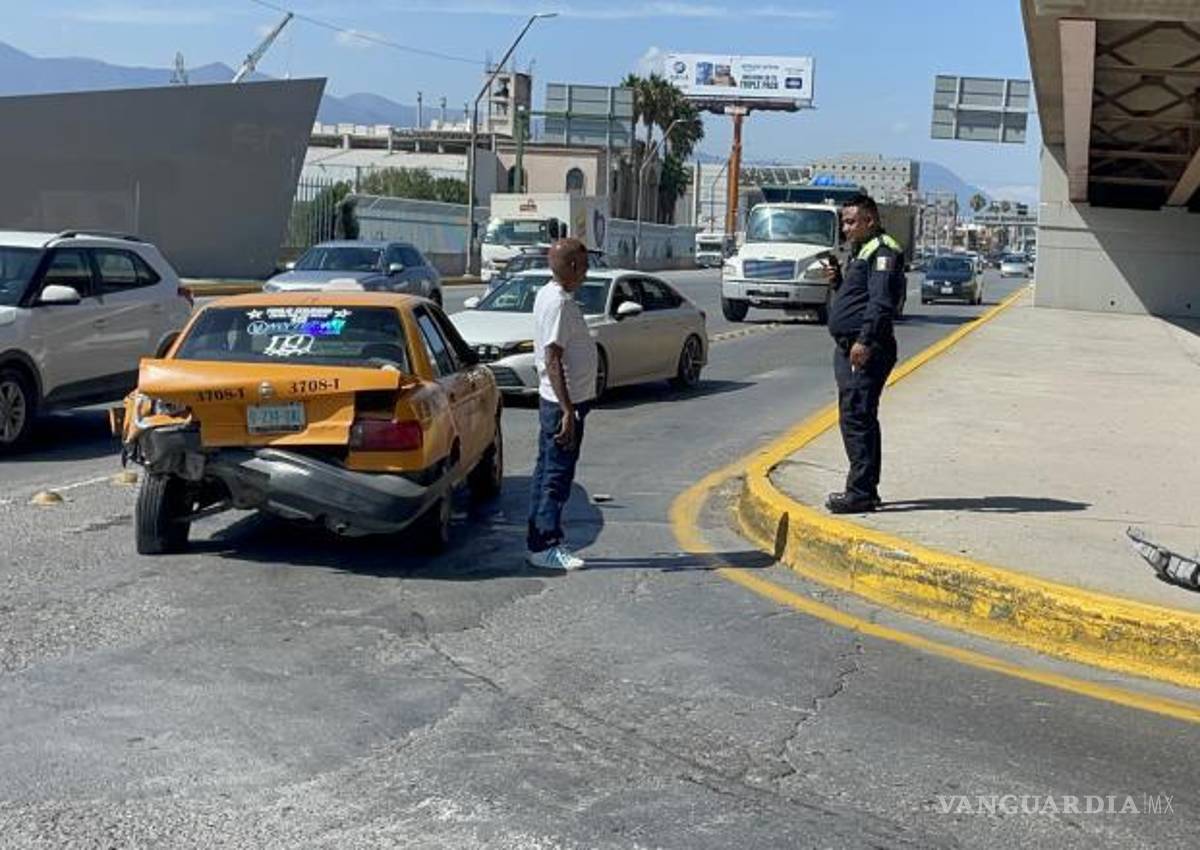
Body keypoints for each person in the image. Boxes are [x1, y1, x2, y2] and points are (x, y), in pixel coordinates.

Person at [823, 193, 906, 514]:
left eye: (850, 222)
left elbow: (881, 301)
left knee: (857, 417)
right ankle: (865, 488)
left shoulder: (883, 251)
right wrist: (838, 282)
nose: (845, 228)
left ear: (869, 220)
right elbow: (858, 297)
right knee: (857, 416)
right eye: (844, 222)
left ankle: (860, 492)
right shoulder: (862, 250)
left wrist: (865, 341)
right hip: (849, 347)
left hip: (866, 349)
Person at [526, 238, 598, 570]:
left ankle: (538, 540)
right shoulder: (559, 304)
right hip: (561, 405)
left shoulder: (549, 294)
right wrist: (568, 410)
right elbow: (553, 358)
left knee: (546, 471)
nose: (586, 272)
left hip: (554, 400)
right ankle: (546, 545)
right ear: (571, 266)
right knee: (556, 476)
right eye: (584, 265)